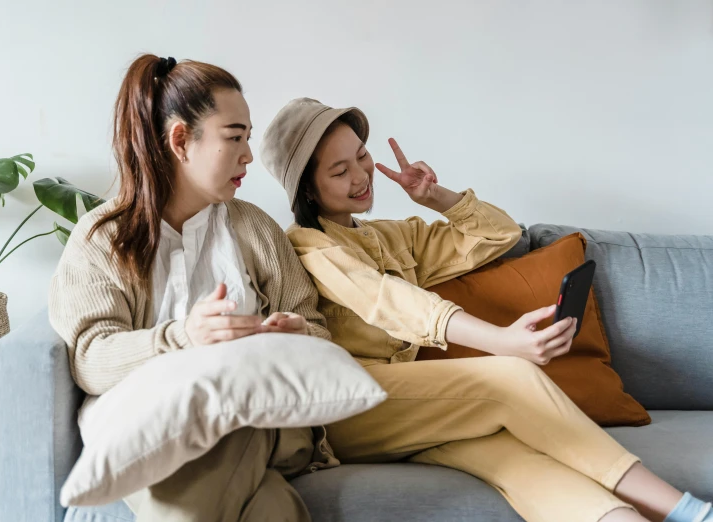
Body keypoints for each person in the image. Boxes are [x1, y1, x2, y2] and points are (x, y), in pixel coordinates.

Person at [260, 97, 712, 522]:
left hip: (415, 409)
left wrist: (434, 196)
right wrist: (502, 343)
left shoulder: (392, 235)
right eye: (340, 171)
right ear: (309, 191)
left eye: (361, 155)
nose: (361, 175)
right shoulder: (308, 245)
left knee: (519, 461)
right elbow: (392, 301)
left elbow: (501, 236)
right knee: (509, 378)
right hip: (354, 406)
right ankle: (686, 510)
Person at [49, 58, 338, 522]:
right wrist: (184, 337)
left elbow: (321, 338)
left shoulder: (257, 231)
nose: (248, 155)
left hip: (259, 419)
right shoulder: (102, 239)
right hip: (150, 429)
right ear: (181, 140)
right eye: (234, 136)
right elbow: (89, 358)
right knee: (273, 506)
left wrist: (297, 337)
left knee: (236, 409)